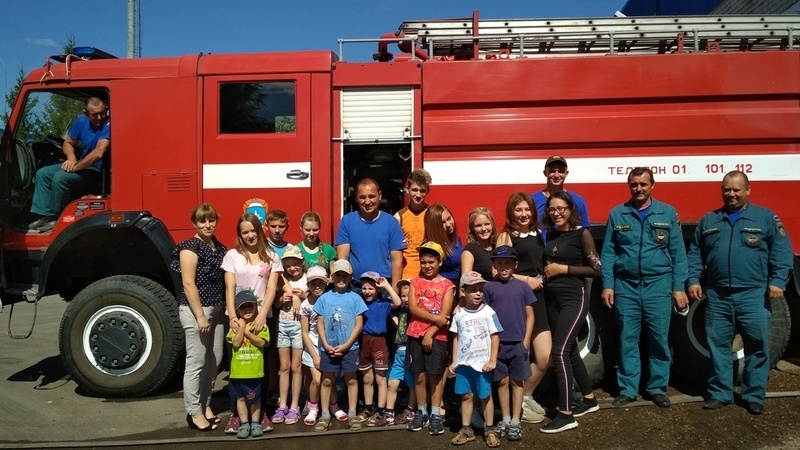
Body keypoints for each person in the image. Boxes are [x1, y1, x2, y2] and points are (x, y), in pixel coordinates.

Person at [687, 171, 793, 415]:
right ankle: (720, 393)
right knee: (718, 346)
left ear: (748, 190)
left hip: (753, 294)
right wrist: (693, 279)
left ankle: (754, 396)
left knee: (757, 346)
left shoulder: (765, 218)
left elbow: (781, 251)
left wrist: (778, 281)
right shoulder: (709, 220)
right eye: (727, 189)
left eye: (736, 189)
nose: (731, 194)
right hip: (718, 295)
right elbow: (695, 253)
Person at [601, 167, 688, 408]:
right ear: (629, 186)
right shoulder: (618, 214)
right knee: (627, 338)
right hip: (626, 286)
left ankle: (657, 388)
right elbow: (608, 253)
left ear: (652, 186)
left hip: (658, 285)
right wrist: (608, 285)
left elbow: (678, 253)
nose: (638, 188)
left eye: (643, 184)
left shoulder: (667, 213)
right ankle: (628, 389)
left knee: (658, 339)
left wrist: (678, 287)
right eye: (634, 184)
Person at [539, 191, 601, 434]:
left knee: (560, 352)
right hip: (552, 300)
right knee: (571, 350)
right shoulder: (552, 233)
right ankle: (589, 399)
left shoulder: (582, 233)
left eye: (561, 208)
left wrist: (562, 269)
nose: (557, 213)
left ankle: (565, 414)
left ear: (570, 209)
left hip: (574, 298)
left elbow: (596, 269)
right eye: (552, 209)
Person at [222, 213, 282, 433]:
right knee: (236, 368)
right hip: (237, 318)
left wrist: (262, 314)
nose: (250, 235)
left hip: (261, 319)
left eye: (253, 231)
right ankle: (236, 414)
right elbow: (229, 287)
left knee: (260, 368)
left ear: (259, 231)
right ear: (240, 234)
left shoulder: (271, 256)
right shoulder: (232, 256)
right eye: (244, 232)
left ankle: (261, 412)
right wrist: (233, 317)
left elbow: (271, 288)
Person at [170, 203, 227, 432]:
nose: (207, 225)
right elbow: (188, 283)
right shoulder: (189, 248)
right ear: (194, 223)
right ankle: (194, 412)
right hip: (197, 312)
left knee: (215, 360)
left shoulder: (218, 247)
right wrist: (201, 316)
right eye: (202, 221)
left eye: (211, 220)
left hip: (217, 311)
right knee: (196, 363)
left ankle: (205, 404)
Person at [496, 192, 549, 424]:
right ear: (511, 212)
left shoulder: (538, 233)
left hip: (540, 299)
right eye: (518, 210)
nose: (524, 214)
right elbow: (496, 270)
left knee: (545, 357)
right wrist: (527, 280)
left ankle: (525, 396)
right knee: (518, 355)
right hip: (518, 299)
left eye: (527, 209)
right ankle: (516, 407)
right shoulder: (506, 236)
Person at [29, 97, 110, 232]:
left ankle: (55, 218)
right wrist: (71, 157)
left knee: (60, 178)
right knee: (42, 174)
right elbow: (68, 142)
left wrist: (75, 167)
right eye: (94, 114)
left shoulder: (109, 124)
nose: (100, 117)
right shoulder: (81, 122)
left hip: (98, 169)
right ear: (86, 113)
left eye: (102, 112)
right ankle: (44, 216)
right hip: (81, 164)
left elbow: (98, 153)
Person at [483, 246, 535, 442]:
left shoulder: (523, 287)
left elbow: (530, 316)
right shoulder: (488, 287)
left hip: (517, 342)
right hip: (497, 344)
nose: (504, 267)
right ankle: (505, 418)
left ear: (515, 265)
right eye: (499, 263)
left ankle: (515, 421)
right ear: (494, 265)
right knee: (502, 381)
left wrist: (526, 341)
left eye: (508, 263)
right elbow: (485, 315)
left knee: (517, 382)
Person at [405, 241, 455, 436]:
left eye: (431, 262)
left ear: (439, 262)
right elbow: (413, 308)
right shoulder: (415, 282)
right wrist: (437, 319)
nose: (427, 266)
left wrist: (429, 333)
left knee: (435, 376)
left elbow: (446, 314)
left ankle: (435, 413)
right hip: (415, 334)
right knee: (419, 375)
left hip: (438, 336)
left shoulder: (447, 286)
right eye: (423, 262)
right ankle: (421, 411)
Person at [313, 260, 368, 431]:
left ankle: (352, 413)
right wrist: (325, 344)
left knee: (351, 379)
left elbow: (359, 324)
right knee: (327, 379)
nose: (341, 278)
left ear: (351, 277)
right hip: (328, 347)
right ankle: (324, 414)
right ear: (332, 277)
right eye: (338, 275)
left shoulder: (356, 298)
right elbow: (319, 324)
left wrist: (347, 345)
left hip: (350, 348)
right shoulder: (324, 298)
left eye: (345, 275)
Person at [449, 271, 502, 448]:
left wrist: (492, 360)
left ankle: (490, 429)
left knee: (486, 396)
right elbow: (456, 337)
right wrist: (455, 360)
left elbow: (495, 336)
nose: (478, 293)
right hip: (464, 364)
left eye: (480, 289)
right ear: (463, 291)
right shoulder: (459, 314)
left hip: (482, 365)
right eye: (473, 290)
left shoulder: (489, 312)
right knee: (466, 396)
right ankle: (466, 429)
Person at [336, 178, 406, 288]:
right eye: (362, 197)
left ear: (380, 196)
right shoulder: (347, 221)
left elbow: (397, 261)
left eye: (371, 196)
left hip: (383, 287)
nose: (367, 202)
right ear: (357, 198)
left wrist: (394, 291)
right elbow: (343, 259)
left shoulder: (391, 223)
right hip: (355, 287)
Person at [353, 271, 402, 427]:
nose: (367, 291)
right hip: (363, 341)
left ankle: (380, 410)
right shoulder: (359, 302)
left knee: (381, 379)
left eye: (371, 288)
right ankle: (368, 408)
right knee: (367, 379)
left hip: (379, 341)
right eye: (364, 288)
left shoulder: (384, 303)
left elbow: (398, 302)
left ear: (378, 289)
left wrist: (387, 285)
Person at [299, 265, 343, 427]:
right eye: (313, 283)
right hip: (312, 346)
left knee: (328, 379)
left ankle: (334, 406)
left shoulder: (332, 300)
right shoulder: (306, 305)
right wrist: (314, 354)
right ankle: (313, 407)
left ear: (326, 283)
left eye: (320, 283)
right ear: (308, 285)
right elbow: (304, 332)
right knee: (317, 380)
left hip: (329, 344)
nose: (317, 286)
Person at [227, 291, 271, 439]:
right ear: (237, 310)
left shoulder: (261, 326)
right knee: (240, 399)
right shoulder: (234, 327)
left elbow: (262, 343)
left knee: (255, 399)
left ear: (256, 307)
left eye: (249, 306)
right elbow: (235, 343)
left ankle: (256, 423)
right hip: (238, 373)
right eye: (242, 307)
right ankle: (244, 423)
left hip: (255, 372)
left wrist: (248, 332)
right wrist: (242, 329)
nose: (246, 309)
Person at [272, 246, 307, 425]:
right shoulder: (282, 280)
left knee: (296, 367)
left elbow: (315, 302)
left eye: (295, 264)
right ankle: (282, 404)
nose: (292, 268)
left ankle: (294, 406)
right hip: (283, 326)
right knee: (284, 366)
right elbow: (276, 305)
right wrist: (281, 299)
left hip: (299, 327)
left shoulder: (307, 280)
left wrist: (303, 296)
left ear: (302, 263)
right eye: (288, 266)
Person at [386, 279, 418, 425]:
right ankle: (389, 412)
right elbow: (394, 306)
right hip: (399, 352)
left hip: (411, 353)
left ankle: (411, 409)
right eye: (403, 296)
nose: (405, 299)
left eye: (408, 295)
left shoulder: (416, 311)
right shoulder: (401, 309)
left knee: (412, 384)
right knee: (392, 383)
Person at [532, 155, 590, 229]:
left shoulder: (578, 201)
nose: (556, 175)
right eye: (552, 171)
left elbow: (585, 230)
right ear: (545, 173)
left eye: (561, 171)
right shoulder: (533, 200)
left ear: (566, 173)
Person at [395, 168, 433, 280]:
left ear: (428, 191)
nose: (418, 194)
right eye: (414, 190)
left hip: (428, 274)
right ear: (408, 189)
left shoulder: (432, 214)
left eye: (422, 190)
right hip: (405, 274)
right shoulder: (399, 217)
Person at [424, 203, 463, 287]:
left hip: (458, 286)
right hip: (441, 288)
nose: (448, 225)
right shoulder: (430, 246)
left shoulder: (456, 239)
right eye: (442, 223)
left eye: (449, 218)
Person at [461, 207, 499, 282]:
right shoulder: (469, 251)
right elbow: (465, 282)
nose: (483, 229)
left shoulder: (497, 247)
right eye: (478, 225)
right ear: (472, 228)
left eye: (487, 224)